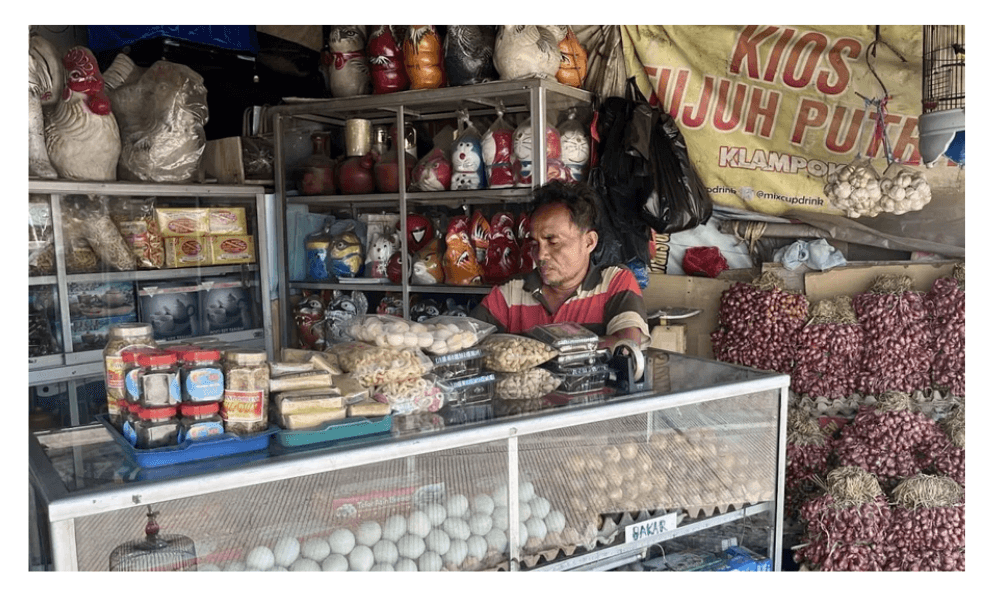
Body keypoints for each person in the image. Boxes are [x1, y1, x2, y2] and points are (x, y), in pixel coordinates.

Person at [471, 180, 649, 350]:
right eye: (534, 244)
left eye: (553, 242)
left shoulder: (614, 282)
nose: (540, 255)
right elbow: (468, 339)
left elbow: (626, 347)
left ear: (589, 242)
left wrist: (536, 351)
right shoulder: (511, 292)